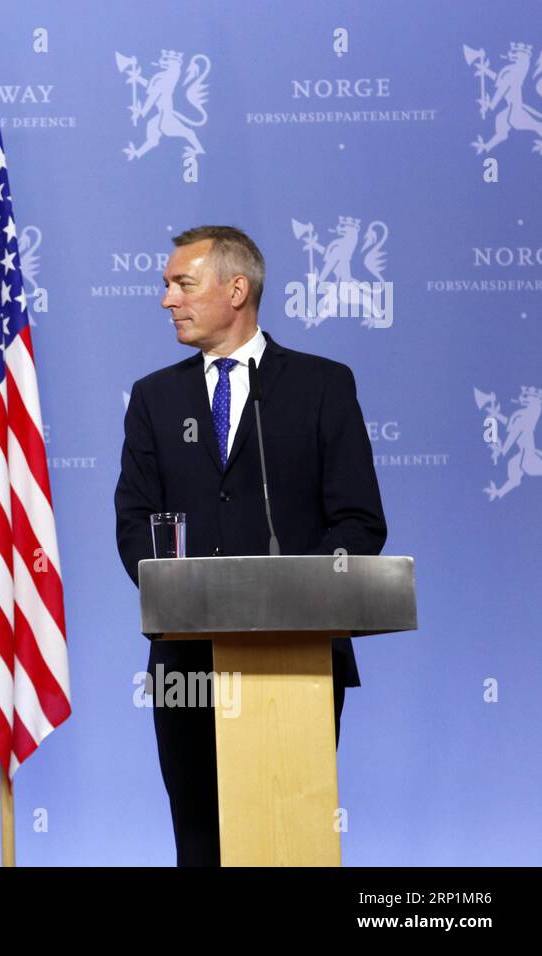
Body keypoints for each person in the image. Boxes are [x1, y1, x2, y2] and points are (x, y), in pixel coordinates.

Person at [114, 226, 386, 866]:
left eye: (182, 284)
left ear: (236, 289)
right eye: (166, 286)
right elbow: (134, 522)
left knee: (289, 841)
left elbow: (359, 522)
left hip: (296, 660)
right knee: (203, 846)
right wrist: (182, 596)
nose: (167, 300)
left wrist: (291, 597)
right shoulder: (155, 397)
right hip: (187, 666)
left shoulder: (322, 385)